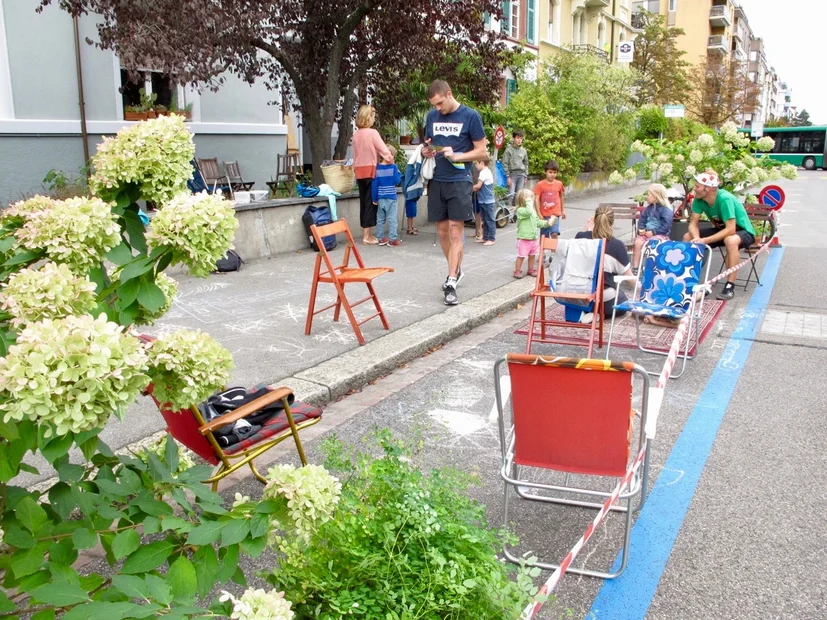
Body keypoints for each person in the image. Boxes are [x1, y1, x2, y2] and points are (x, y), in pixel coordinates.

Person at [423, 79, 488, 306]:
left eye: (440, 103)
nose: (437, 109)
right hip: (437, 179)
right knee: (441, 232)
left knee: (454, 230)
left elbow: (482, 152)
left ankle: (451, 280)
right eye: (434, 105)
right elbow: (427, 144)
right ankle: (457, 269)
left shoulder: (471, 116)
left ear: (449, 94)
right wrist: (426, 151)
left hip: (460, 180)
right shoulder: (432, 117)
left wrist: (458, 156)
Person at [684, 169, 755, 300]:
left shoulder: (724, 199)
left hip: (742, 232)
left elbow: (730, 229)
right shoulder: (699, 200)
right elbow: (693, 224)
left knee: (730, 240)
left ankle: (730, 286)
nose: (694, 188)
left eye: (697, 186)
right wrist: (696, 239)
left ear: (709, 189)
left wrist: (704, 241)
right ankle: (688, 280)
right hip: (722, 231)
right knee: (688, 237)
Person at [575, 205, 633, 320]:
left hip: (580, 295)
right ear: (612, 223)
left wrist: (586, 231)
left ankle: (586, 311)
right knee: (622, 299)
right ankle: (601, 314)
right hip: (602, 297)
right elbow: (630, 279)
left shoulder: (580, 238)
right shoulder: (617, 245)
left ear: (595, 220)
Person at [352, 105, 392, 245]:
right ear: (368, 117)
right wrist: (389, 159)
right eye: (373, 116)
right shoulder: (373, 133)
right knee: (371, 202)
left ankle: (366, 233)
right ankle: (367, 236)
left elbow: (355, 154)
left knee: (364, 202)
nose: (374, 119)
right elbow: (384, 150)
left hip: (359, 171)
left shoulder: (356, 135)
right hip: (371, 171)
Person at [632, 183, 674, 273]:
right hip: (647, 233)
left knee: (653, 243)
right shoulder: (648, 209)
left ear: (655, 197)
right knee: (638, 242)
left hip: (660, 235)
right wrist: (641, 229)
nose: (646, 197)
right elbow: (642, 220)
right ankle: (636, 267)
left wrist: (654, 232)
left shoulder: (666, 210)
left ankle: (650, 267)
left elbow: (666, 226)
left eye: (648, 195)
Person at [514, 189, 553, 279]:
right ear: (524, 199)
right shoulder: (521, 210)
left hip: (533, 238)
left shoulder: (532, 211)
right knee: (521, 256)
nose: (532, 199)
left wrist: (546, 223)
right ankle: (517, 270)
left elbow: (537, 222)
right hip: (524, 238)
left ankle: (530, 269)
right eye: (530, 197)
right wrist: (529, 202)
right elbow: (528, 212)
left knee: (532, 255)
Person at [371, 145, 402, 246]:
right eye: (392, 155)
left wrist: (374, 198)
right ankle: (392, 239)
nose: (392, 157)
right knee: (392, 219)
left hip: (380, 198)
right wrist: (396, 169)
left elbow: (374, 184)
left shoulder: (377, 167)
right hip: (391, 197)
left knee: (380, 219)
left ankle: (380, 238)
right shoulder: (393, 167)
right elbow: (397, 181)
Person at [532, 160, 566, 241]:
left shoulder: (559, 184)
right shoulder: (540, 185)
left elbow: (561, 196)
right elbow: (536, 199)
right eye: (550, 172)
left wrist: (563, 211)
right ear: (545, 172)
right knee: (544, 236)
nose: (552, 174)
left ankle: (554, 252)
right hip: (544, 214)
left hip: (555, 214)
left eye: (554, 172)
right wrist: (539, 214)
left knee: (554, 233)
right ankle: (542, 252)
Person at [472, 157, 496, 246]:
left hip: (487, 200)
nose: (475, 165)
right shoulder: (486, 171)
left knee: (489, 220)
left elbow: (478, 186)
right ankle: (485, 237)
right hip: (483, 199)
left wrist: (469, 188)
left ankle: (491, 238)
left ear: (481, 163)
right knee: (484, 219)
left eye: (476, 163)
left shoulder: (484, 172)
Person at [502, 130, 528, 204]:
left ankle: (517, 214)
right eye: (517, 138)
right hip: (512, 175)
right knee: (511, 195)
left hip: (521, 175)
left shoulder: (523, 151)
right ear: (513, 138)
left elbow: (526, 163)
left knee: (519, 196)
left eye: (521, 138)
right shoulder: (508, 150)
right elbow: (505, 163)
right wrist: (507, 176)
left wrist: (526, 175)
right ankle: (509, 214)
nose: (519, 140)